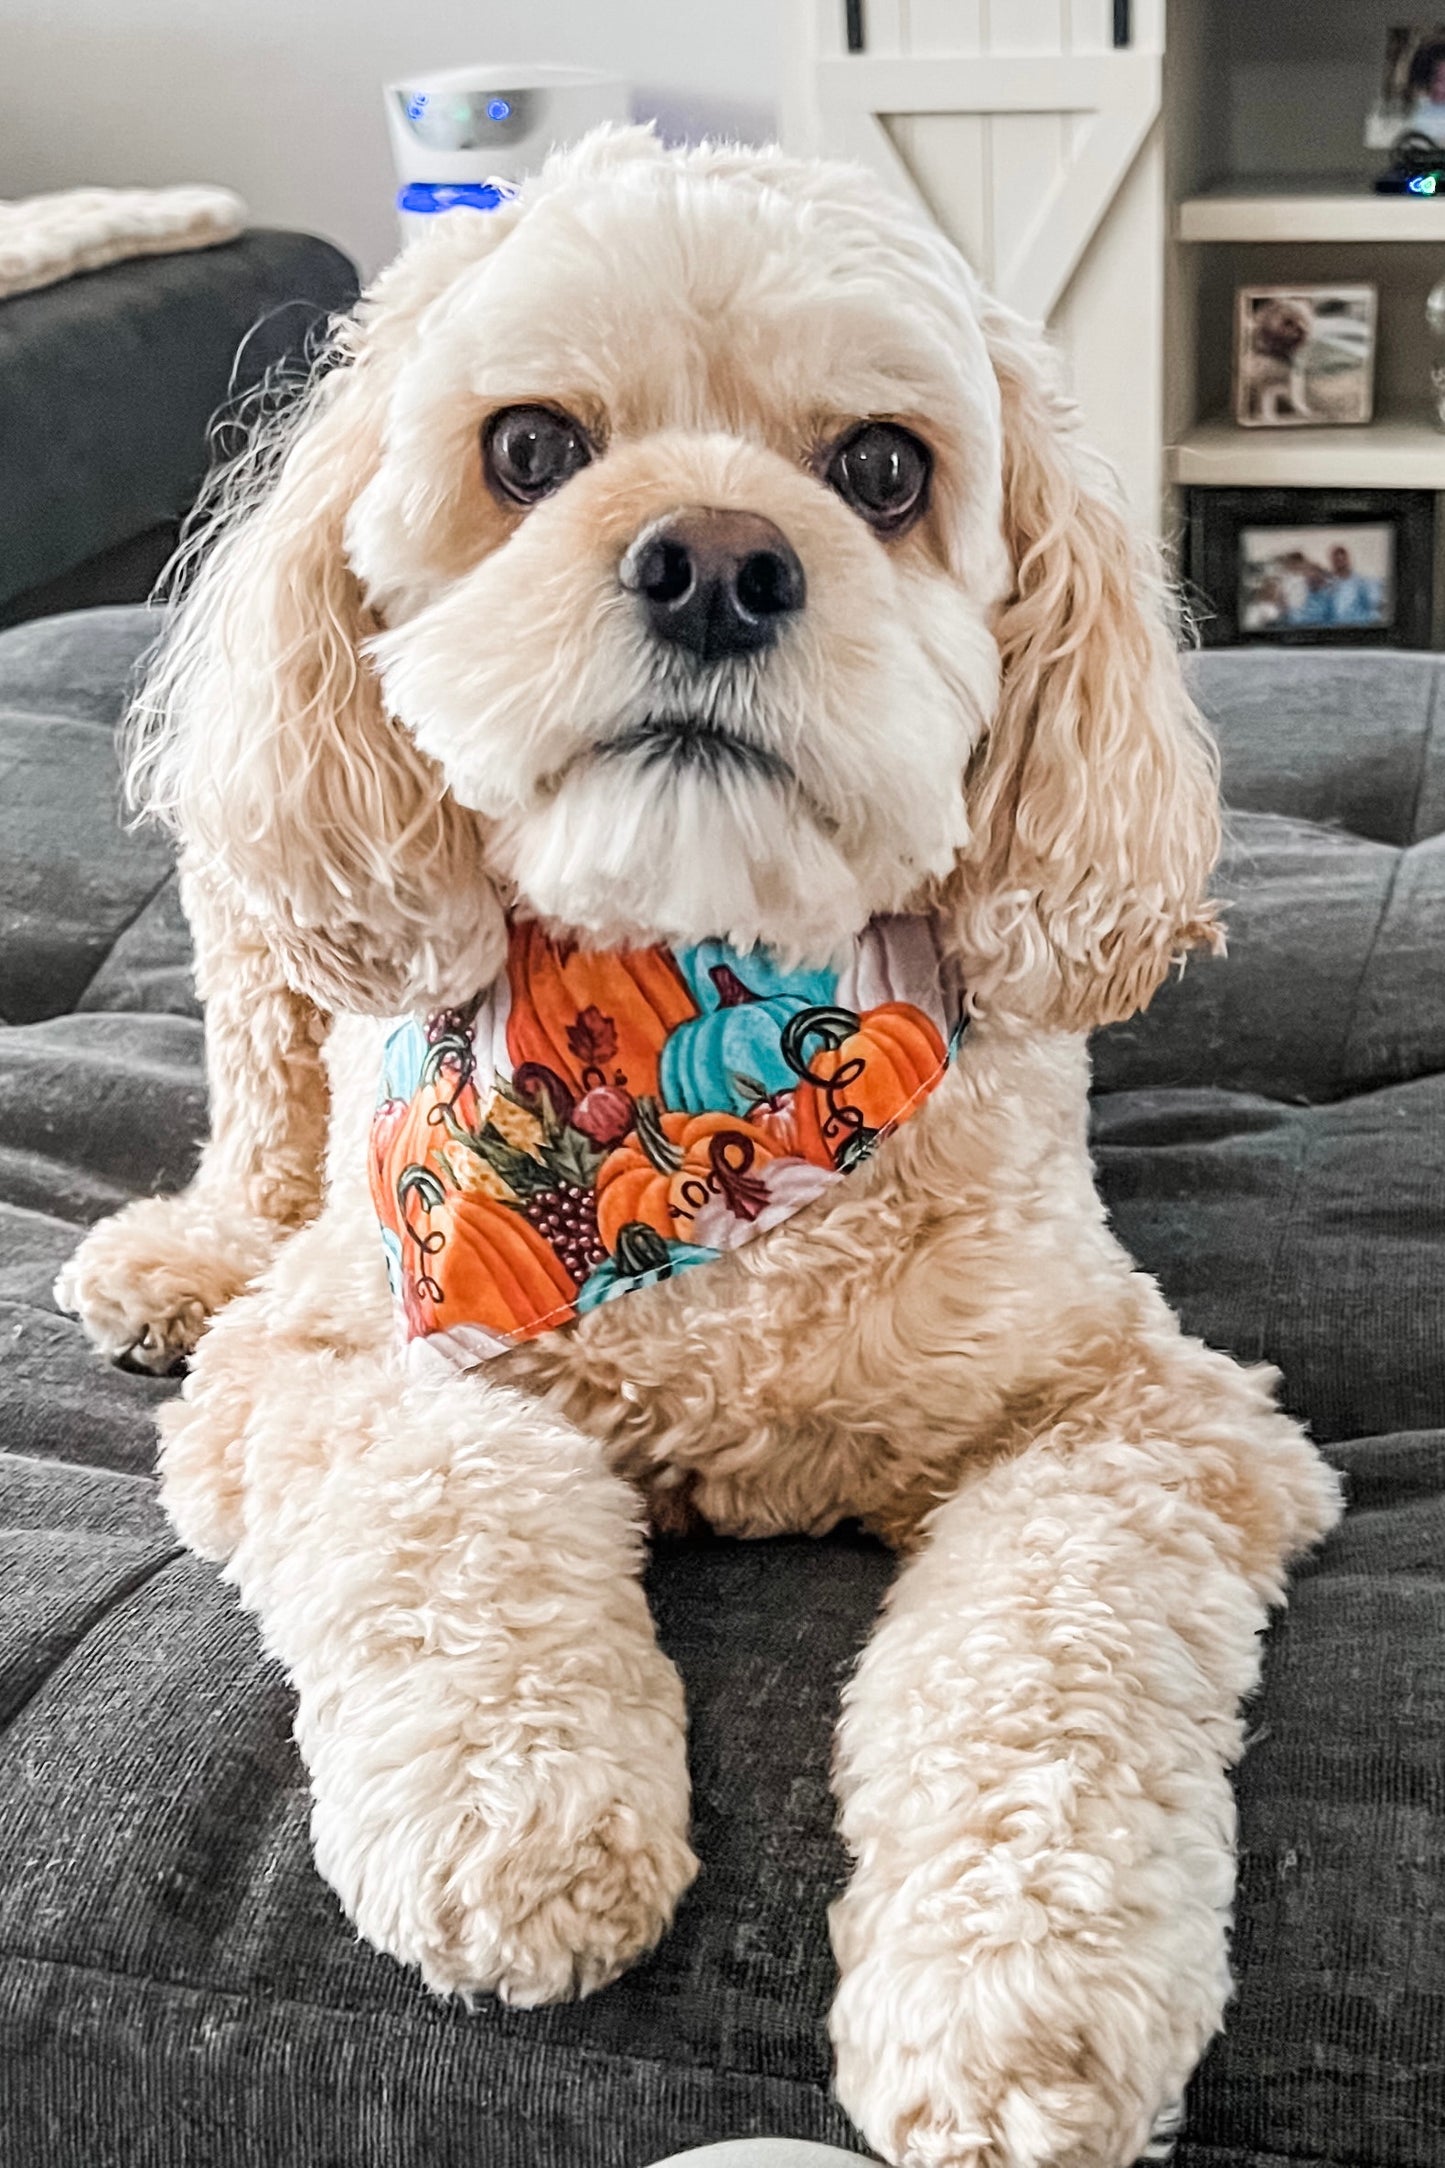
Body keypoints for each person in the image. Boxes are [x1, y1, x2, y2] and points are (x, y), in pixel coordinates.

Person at [1325, 544, 1385, 627]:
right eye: (1336, 560)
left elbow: (1376, 605)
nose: (1340, 562)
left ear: (1348, 560)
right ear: (1332, 562)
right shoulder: (1327, 583)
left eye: (1342, 559)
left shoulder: (1362, 582)